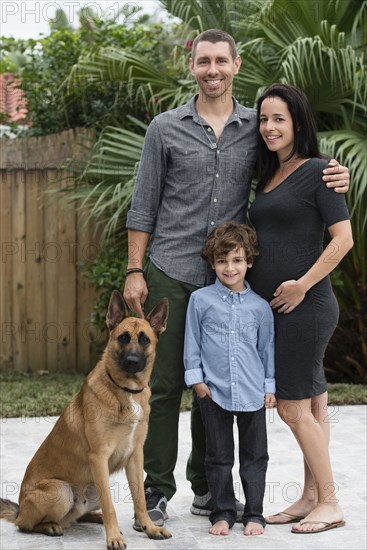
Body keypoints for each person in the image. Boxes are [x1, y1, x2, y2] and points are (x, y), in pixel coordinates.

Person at [123, 29, 350, 527]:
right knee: (163, 386)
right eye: (204, 61)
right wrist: (135, 270)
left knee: (219, 381)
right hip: (170, 268)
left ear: (236, 64)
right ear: (192, 67)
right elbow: (144, 203)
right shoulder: (165, 127)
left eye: (221, 61)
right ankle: (158, 488)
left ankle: (210, 487)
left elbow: (298, 170)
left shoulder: (257, 126)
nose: (212, 70)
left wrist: (337, 174)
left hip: (227, 278)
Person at [247, 83, 353, 534]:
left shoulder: (320, 171)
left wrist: (301, 286)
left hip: (305, 308)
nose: (269, 127)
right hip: (283, 310)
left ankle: (330, 502)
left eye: (279, 119)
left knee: (292, 409)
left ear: (297, 123)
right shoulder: (269, 174)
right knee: (311, 405)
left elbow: (343, 239)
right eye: (264, 119)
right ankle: (311, 496)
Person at [184, 221, 276, 537]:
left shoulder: (261, 308)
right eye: (222, 260)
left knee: (254, 456)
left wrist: (269, 387)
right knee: (218, 457)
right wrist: (197, 381)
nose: (229, 267)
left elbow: (267, 350)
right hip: (214, 392)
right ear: (212, 263)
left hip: (252, 392)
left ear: (249, 260)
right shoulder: (200, 301)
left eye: (237, 260)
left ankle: (254, 514)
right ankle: (222, 512)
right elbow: (192, 341)